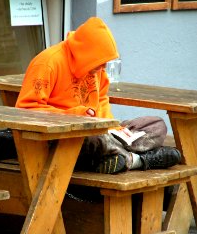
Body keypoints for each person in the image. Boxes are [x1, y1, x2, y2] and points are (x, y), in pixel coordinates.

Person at [15, 16, 181, 174]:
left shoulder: (97, 70)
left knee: (157, 125)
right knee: (96, 140)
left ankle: (116, 155)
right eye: (100, 61)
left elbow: (101, 100)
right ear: (86, 53)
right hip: (65, 136)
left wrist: (113, 127)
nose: (104, 66)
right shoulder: (48, 62)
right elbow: (26, 110)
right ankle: (137, 160)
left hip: (98, 130)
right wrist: (75, 117)